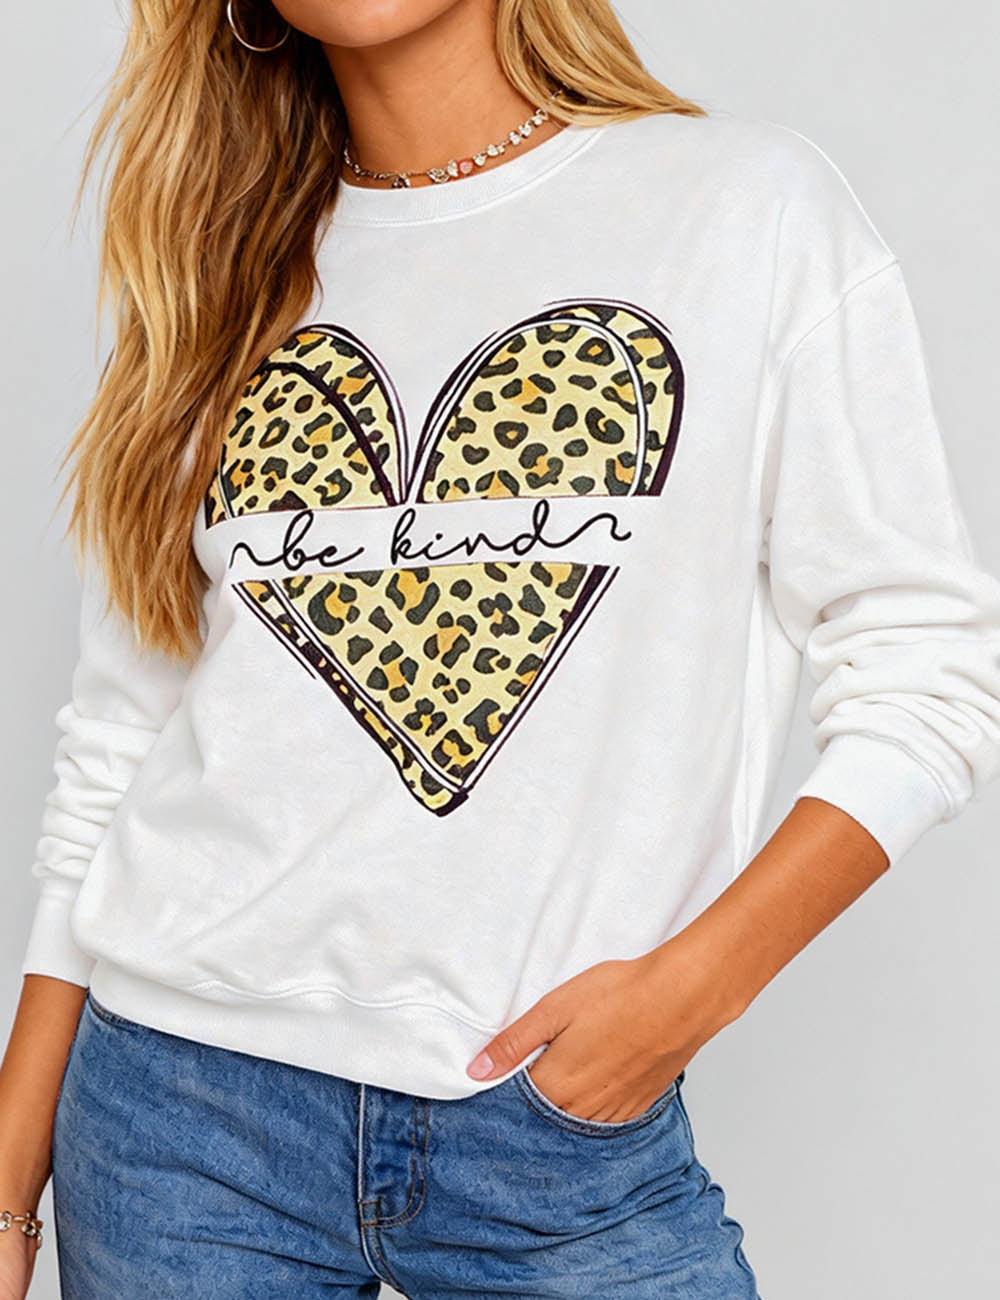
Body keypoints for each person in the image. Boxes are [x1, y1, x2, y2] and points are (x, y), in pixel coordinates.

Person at [3, 1, 1000, 1296]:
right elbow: (119, 735)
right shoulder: (216, 277)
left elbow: (924, 666)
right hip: (180, 1123)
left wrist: (694, 991)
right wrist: (10, 1177)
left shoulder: (744, 211)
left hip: (556, 1134)